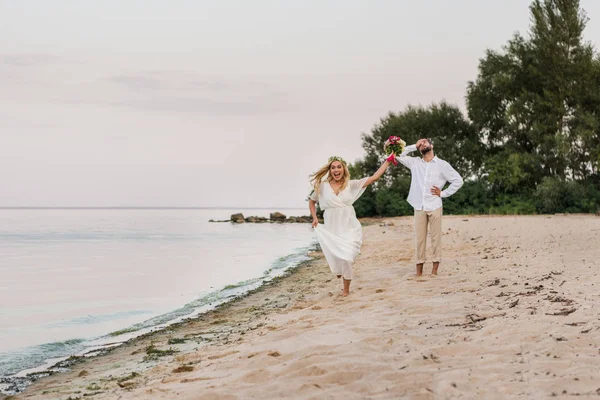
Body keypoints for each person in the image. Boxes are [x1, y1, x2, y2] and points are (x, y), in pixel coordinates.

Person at [308, 155, 394, 296]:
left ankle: (346, 291)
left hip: (349, 226)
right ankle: (339, 271)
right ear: (330, 170)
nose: (336, 170)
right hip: (332, 227)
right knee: (337, 257)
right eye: (333, 167)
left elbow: (374, 177)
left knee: (347, 257)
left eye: (339, 167)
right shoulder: (322, 187)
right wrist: (315, 218)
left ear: (343, 169)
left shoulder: (351, 184)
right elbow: (312, 201)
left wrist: (388, 160)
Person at [397, 138, 463, 277]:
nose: (422, 144)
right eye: (420, 144)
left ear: (431, 145)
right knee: (419, 239)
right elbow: (397, 155)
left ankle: (434, 271)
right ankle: (419, 272)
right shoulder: (414, 163)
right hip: (419, 206)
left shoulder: (442, 165)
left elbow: (458, 180)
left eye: (425, 142)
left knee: (435, 238)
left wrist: (443, 193)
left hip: (435, 205)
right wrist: (413, 146)